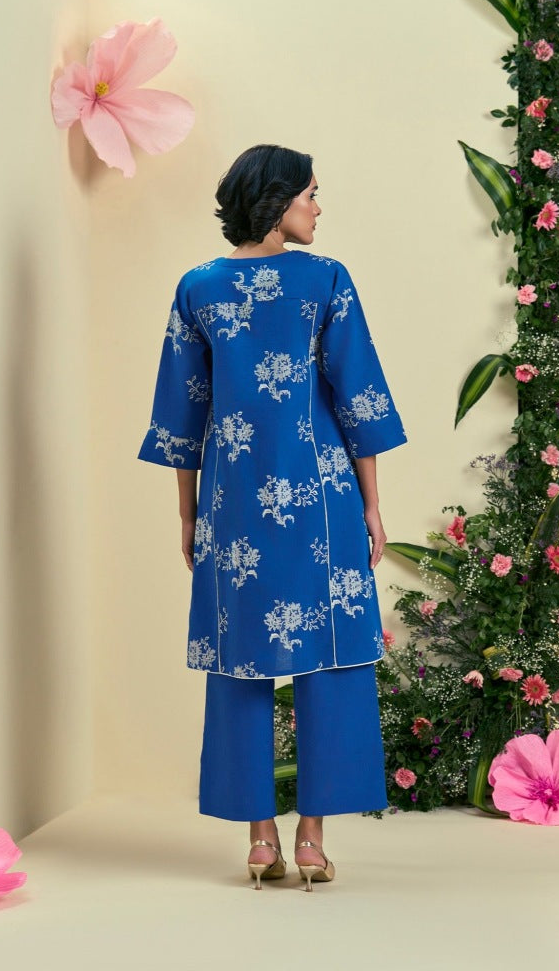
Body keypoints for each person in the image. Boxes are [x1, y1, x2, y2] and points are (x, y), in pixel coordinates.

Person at [138, 144, 406, 890]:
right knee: (332, 660)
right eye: (311, 194)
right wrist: (372, 506)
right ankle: (312, 841)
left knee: (240, 661)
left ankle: (262, 842)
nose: (318, 207)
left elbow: (183, 415)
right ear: (279, 199)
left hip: (232, 507)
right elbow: (357, 399)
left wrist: (188, 516)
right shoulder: (326, 280)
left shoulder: (197, 287)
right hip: (322, 500)